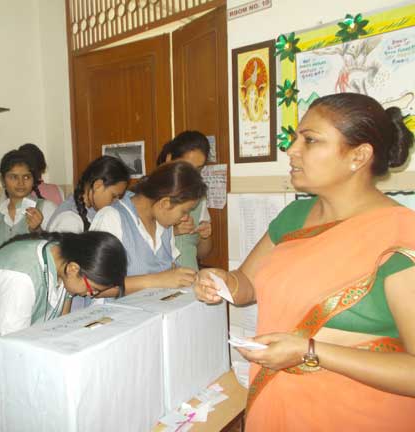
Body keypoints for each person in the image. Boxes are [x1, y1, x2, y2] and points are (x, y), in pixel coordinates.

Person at [194, 93, 415, 431]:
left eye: (310, 140)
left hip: (356, 416)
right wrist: (219, 281)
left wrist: (310, 351)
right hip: (276, 408)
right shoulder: (295, 215)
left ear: (358, 156)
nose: (292, 150)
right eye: (296, 138)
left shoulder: (401, 234)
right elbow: (245, 284)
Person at [0, 231, 127, 431]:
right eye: (92, 289)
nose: (89, 295)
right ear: (73, 268)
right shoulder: (22, 277)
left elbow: (59, 322)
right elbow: (7, 355)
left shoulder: (64, 259)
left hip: (13, 345)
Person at [90, 161, 207, 296]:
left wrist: (195, 278)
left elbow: (171, 271)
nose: (185, 218)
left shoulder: (164, 223)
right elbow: (93, 288)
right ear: (165, 203)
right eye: (184, 211)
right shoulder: (111, 218)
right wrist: (156, 280)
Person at [48, 155, 130, 311]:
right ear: (98, 185)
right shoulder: (70, 219)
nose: (115, 203)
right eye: (114, 196)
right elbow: (64, 279)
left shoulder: (92, 212)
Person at [157, 131, 213, 270]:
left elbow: (202, 253)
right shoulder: (151, 194)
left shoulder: (198, 197)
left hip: (191, 277)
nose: (192, 175)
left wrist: (205, 235)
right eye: (187, 167)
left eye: (198, 169)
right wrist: (173, 232)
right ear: (169, 159)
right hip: (160, 280)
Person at [0, 149, 57, 251]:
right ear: (3, 180)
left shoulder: (46, 208)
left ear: (33, 180)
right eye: (13, 177)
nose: (21, 183)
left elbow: (58, 250)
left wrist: (37, 230)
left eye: (26, 177)